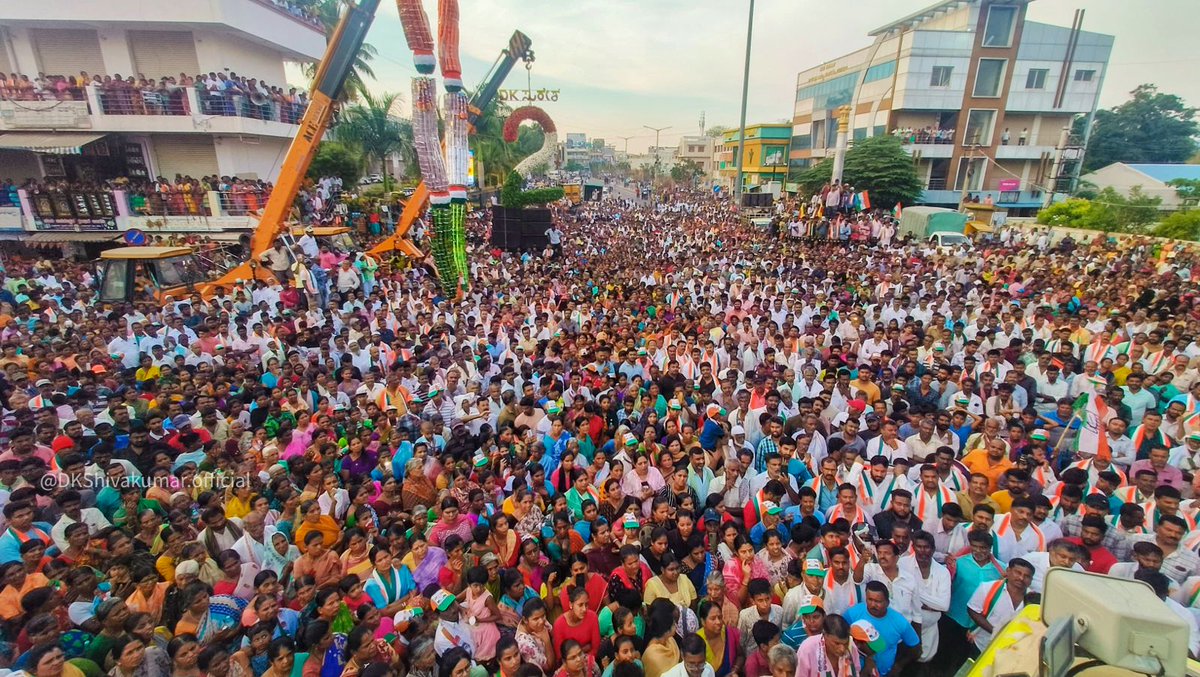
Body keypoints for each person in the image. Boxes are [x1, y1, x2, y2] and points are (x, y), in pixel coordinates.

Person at [843, 581, 920, 676]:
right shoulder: (852, 614)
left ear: (887, 602)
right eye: (869, 599)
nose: (873, 605)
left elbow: (916, 648)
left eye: (878, 601)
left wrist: (898, 666)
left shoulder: (900, 622)